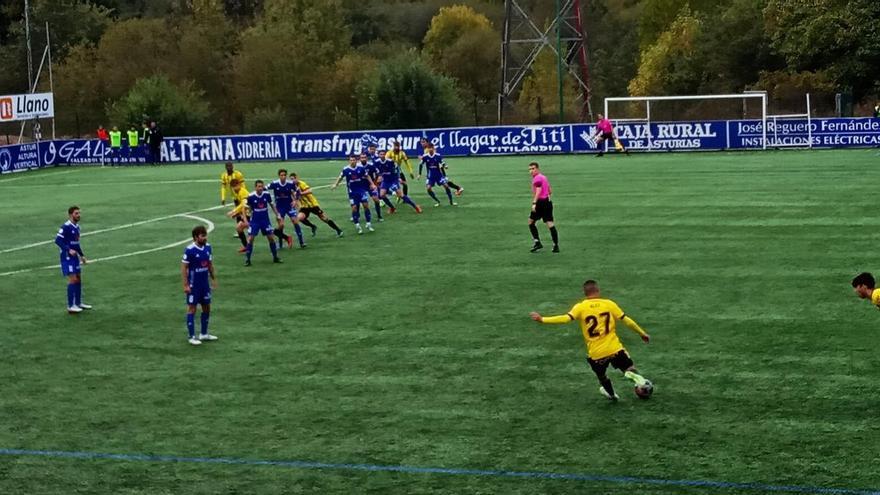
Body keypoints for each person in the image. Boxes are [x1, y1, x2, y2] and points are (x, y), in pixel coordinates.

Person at [529, 279, 652, 401]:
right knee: (629, 367)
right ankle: (635, 378)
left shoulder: (581, 307)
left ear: (585, 293)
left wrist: (542, 319)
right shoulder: (609, 304)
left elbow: (565, 318)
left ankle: (612, 395)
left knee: (602, 376)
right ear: (598, 290)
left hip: (596, 354)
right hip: (614, 348)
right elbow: (627, 320)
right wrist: (642, 333)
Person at [229, 180, 282, 266]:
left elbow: (272, 205)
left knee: (271, 238)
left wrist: (278, 215)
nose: (260, 188)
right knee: (250, 239)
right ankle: (248, 260)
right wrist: (245, 221)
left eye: (261, 186)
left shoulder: (266, 195)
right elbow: (243, 208)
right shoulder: (251, 196)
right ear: (255, 187)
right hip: (255, 221)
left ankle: (275, 257)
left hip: (265, 220)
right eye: (258, 186)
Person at [181, 225, 218, 346]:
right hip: (193, 286)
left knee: (207, 307)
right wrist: (186, 285)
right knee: (192, 308)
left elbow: (209, 264)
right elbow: (184, 268)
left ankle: (203, 333)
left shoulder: (208, 247)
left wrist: (213, 278)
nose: (205, 238)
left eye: (205, 235)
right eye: (203, 236)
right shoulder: (190, 250)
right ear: (196, 237)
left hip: (204, 284)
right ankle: (191, 336)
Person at [54, 206, 92, 314]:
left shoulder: (77, 227)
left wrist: (82, 255)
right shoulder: (66, 226)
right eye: (76, 213)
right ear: (70, 215)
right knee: (73, 279)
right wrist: (68, 249)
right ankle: (71, 306)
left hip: (74, 257)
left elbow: (76, 243)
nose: (79, 215)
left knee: (79, 278)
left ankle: (79, 303)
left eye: (79, 213)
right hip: (67, 257)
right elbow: (58, 240)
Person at [332, 154, 377, 235]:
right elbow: (340, 177)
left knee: (366, 206)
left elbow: (367, 176)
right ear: (349, 161)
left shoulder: (361, 168)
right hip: (352, 192)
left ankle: (368, 223)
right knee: (354, 208)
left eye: (354, 160)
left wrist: (372, 184)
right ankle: (357, 225)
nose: (352, 161)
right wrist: (336, 184)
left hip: (361, 190)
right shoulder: (346, 169)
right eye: (351, 160)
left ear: (356, 160)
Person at [291, 172, 344, 238]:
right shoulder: (292, 186)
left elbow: (310, 191)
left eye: (293, 179)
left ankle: (338, 230)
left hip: (313, 205)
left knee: (324, 218)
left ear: (297, 178)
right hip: (304, 206)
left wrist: (301, 193)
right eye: (291, 179)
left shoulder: (301, 184)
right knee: (299, 218)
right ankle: (313, 226)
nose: (292, 181)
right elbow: (294, 196)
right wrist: (295, 202)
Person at [268, 168, 307, 249]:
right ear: (279, 176)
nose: (283, 177)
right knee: (281, 225)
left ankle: (301, 242)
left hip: (289, 206)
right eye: (281, 175)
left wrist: (295, 201)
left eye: (285, 175)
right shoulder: (274, 183)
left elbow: (298, 191)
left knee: (295, 221)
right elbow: (264, 188)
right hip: (279, 207)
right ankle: (281, 243)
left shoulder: (290, 183)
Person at [527, 162, 559, 253]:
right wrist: (547, 196)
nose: (531, 171)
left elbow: (538, 191)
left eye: (533, 169)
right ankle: (555, 245)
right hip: (547, 202)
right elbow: (550, 190)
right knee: (550, 224)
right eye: (530, 169)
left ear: (537, 169)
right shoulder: (544, 177)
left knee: (530, 222)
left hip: (540, 203)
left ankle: (537, 242)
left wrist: (534, 203)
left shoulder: (537, 179)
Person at [361, 151, 388, 221]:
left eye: (364, 157)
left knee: (376, 200)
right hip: (361, 186)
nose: (363, 159)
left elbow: (378, 173)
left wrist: (375, 183)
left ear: (367, 158)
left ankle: (379, 216)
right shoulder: (358, 166)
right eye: (362, 158)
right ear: (360, 158)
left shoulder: (371, 165)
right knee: (358, 202)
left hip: (370, 186)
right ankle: (355, 216)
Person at [228, 179, 250, 252]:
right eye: (232, 187)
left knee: (263, 231)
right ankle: (247, 246)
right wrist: (236, 214)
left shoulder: (243, 192)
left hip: (252, 214)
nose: (234, 188)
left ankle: (284, 237)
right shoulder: (237, 192)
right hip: (247, 214)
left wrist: (233, 211)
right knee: (239, 228)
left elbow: (243, 204)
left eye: (235, 186)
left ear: (239, 185)